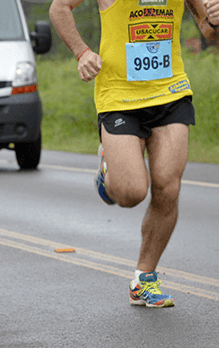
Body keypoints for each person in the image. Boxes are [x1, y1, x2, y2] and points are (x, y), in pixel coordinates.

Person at [49, 0, 218, 307]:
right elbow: (59, 7)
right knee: (130, 193)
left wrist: (216, 22)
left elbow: (209, 33)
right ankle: (109, 168)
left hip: (171, 93)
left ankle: (145, 277)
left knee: (168, 186)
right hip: (119, 97)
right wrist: (82, 52)